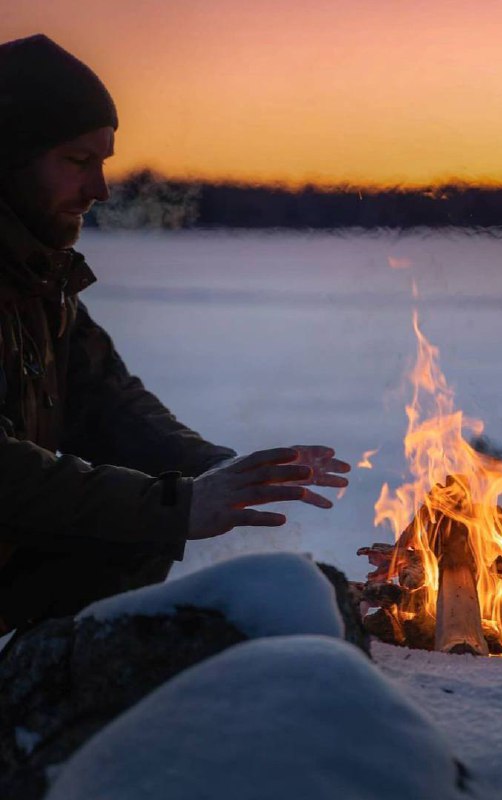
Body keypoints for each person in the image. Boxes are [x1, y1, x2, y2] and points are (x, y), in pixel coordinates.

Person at [0, 34, 350, 635]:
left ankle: (44, 711)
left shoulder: (37, 279)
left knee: (137, 531)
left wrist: (223, 472)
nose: (100, 191)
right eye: (78, 163)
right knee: (146, 519)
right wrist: (179, 504)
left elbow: (109, 401)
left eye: (103, 163)